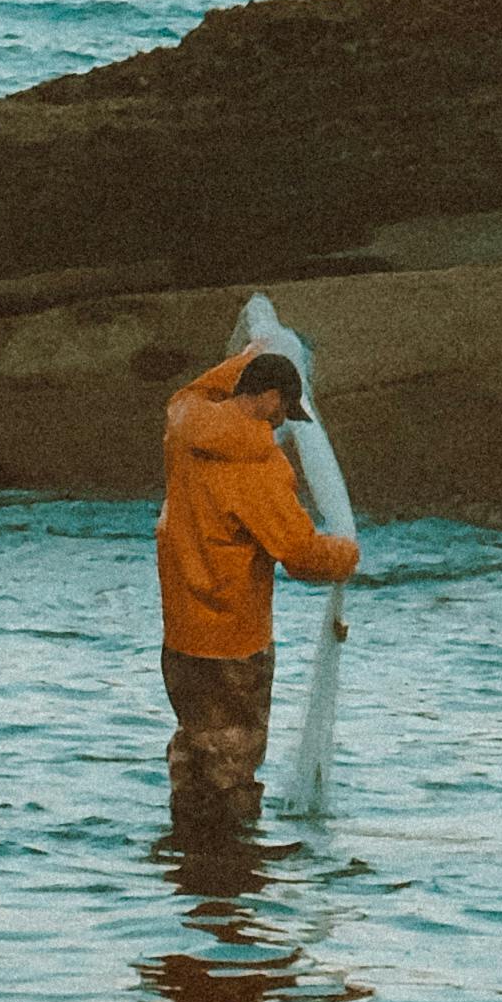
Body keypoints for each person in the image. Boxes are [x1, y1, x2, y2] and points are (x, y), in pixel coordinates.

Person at [154, 348, 360, 818]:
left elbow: (196, 389)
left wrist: (256, 351)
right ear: (269, 397)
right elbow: (301, 556)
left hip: (181, 639)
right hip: (233, 643)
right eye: (284, 408)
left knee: (193, 755)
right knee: (232, 769)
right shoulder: (256, 467)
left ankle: (187, 863)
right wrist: (347, 552)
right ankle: (229, 872)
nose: (282, 422)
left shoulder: (185, 423)